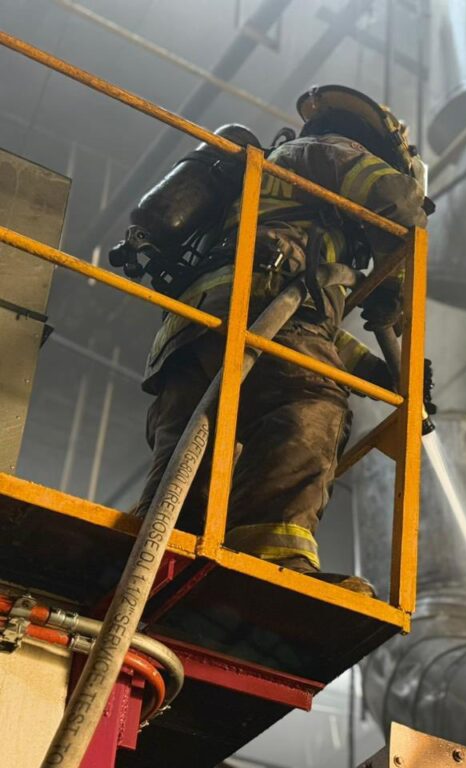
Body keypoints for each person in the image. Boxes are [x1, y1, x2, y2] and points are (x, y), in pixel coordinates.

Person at [129, 86, 428, 594]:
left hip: (197, 329)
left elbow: (317, 332)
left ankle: (149, 551)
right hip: (259, 310)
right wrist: (393, 289)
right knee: (311, 400)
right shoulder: (327, 151)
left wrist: (382, 374)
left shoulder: (287, 199)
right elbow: (397, 204)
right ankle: (275, 558)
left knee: (188, 457)